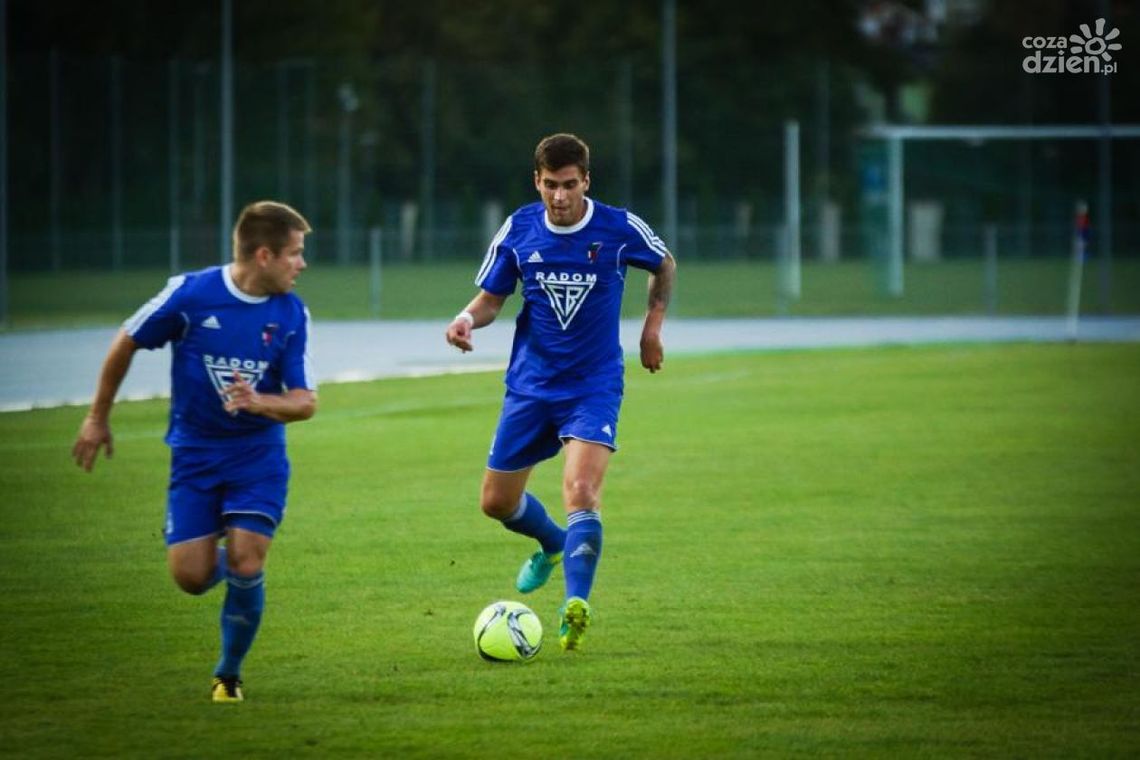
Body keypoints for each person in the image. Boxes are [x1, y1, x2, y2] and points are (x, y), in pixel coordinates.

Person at [72, 201, 317, 702]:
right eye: (294, 254)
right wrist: (97, 417)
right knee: (191, 576)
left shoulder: (291, 313)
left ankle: (228, 676)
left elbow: (304, 402)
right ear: (264, 254)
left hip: (258, 456)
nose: (302, 264)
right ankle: (231, 559)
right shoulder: (191, 294)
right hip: (194, 454)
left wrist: (259, 402)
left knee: (248, 561)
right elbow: (126, 341)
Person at [445, 133, 676, 651]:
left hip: (592, 384)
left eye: (570, 185)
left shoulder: (617, 226)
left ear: (586, 181)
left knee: (581, 493)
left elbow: (663, 263)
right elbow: (491, 299)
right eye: (550, 185)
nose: (560, 197)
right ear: (537, 181)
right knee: (496, 503)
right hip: (530, 385)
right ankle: (551, 544)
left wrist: (651, 328)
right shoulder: (520, 229)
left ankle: (577, 605)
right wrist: (465, 319)